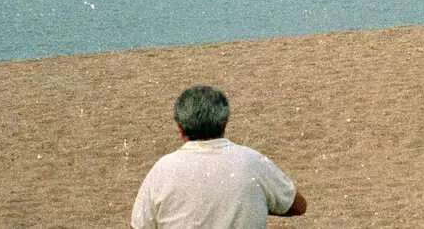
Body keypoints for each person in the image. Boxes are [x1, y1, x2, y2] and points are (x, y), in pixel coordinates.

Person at [131, 85, 307, 229]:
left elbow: (138, 225)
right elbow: (298, 206)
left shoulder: (163, 169)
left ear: (180, 129)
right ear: (225, 122)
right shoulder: (251, 160)